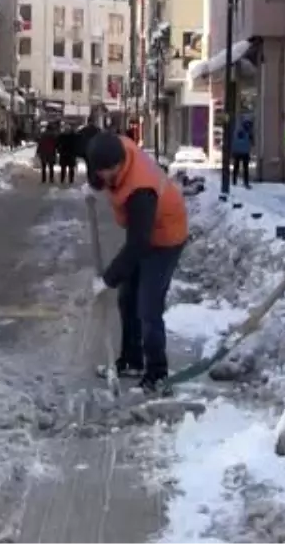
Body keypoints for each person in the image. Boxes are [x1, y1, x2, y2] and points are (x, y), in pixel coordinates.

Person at [86, 131, 188, 394]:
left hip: (166, 236)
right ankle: (132, 360)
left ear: (120, 165)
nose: (104, 177)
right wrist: (93, 184)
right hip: (144, 232)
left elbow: (137, 244)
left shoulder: (141, 188)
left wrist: (107, 279)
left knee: (148, 307)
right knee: (127, 297)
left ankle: (156, 373)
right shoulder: (114, 149)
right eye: (99, 171)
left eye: (108, 172)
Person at [230, 117, 253, 189]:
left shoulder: (238, 131)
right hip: (244, 152)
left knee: (236, 167)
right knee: (245, 168)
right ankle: (245, 182)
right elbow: (251, 142)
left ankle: (234, 181)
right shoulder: (248, 132)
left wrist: (233, 150)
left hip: (238, 151)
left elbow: (235, 140)